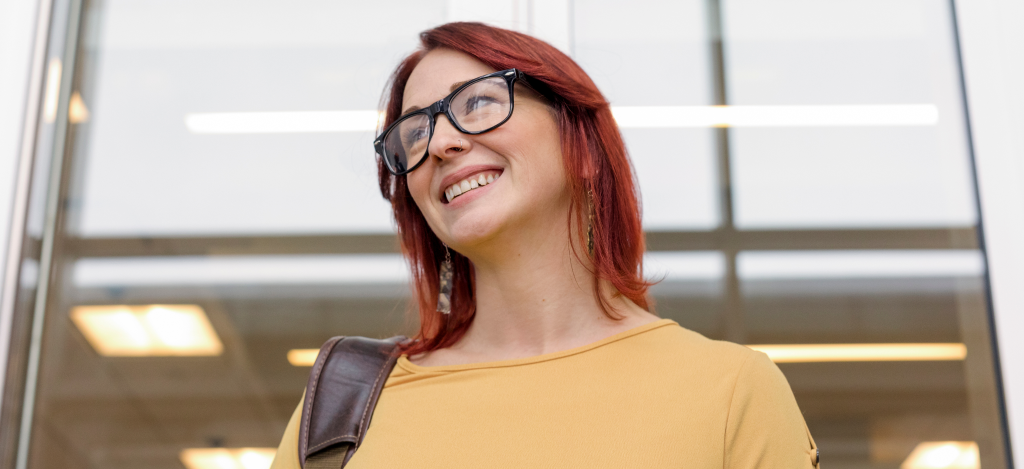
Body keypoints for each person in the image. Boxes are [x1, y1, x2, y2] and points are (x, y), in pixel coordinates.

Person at [271, 22, 819, 468]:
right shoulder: (340, 410)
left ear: (579, 140)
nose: (439, 142)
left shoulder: (731, 391)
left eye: (479, 102)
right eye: (412, 134)